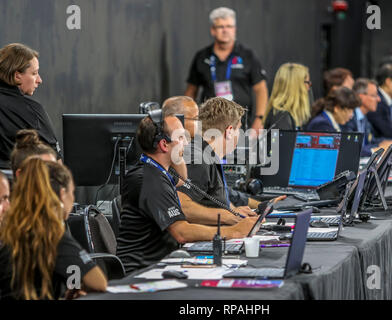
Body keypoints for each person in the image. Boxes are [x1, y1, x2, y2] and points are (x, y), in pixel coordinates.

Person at [116, 114, 257, 273]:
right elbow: (181, 232)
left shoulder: (158, 171)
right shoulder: (148, 180)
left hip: (162, 263)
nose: (188, 143)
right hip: (141, 270)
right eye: (182, 137)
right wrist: (235, 231)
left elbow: (182, 180)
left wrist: (177, 153)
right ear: (164, 144)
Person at [0, 158, 107, 299]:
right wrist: (74, 287)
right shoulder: (50, 235)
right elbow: (99, 282)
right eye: (72, 192)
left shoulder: (13, 230)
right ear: (63, 194)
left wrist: (71, 287)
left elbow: (69, 267)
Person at [162, 96, 261, 211]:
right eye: (238, 129)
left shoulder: (207, 155)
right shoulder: (200, 161)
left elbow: (214, 201)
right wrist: (229, 218)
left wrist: (235, 212)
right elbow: (180, 205)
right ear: (229, 131)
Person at [184, 7, 268, 134]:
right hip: (208, 125)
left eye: (229, 26)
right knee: (208, 154)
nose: (225, 30)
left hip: (241, 125)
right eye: (220, 27)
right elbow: (191, 91)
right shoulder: (202, 56)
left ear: (235, 29)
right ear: (213, 30)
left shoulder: (247, 55)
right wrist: (188, 120)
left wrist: (260, 119)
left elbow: (261, 89)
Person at [0, 43, 61, 169]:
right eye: (34, 73)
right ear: (17, 76)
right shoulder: (33, 111)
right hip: (21, 186)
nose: (39, 80)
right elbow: (56, 165)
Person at [341, 79, 392, 156]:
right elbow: (350, 148)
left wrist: (390, 143)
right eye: (374, 95)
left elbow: (371, 140)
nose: (379, 99)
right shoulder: (349, 117)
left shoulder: (364, 117)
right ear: (361, 97)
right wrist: (374, 150)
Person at [263, 63, 312, 131]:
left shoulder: (283, 116)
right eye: (308, 82)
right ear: (296, 85)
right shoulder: (282, 118)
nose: (308, 88)